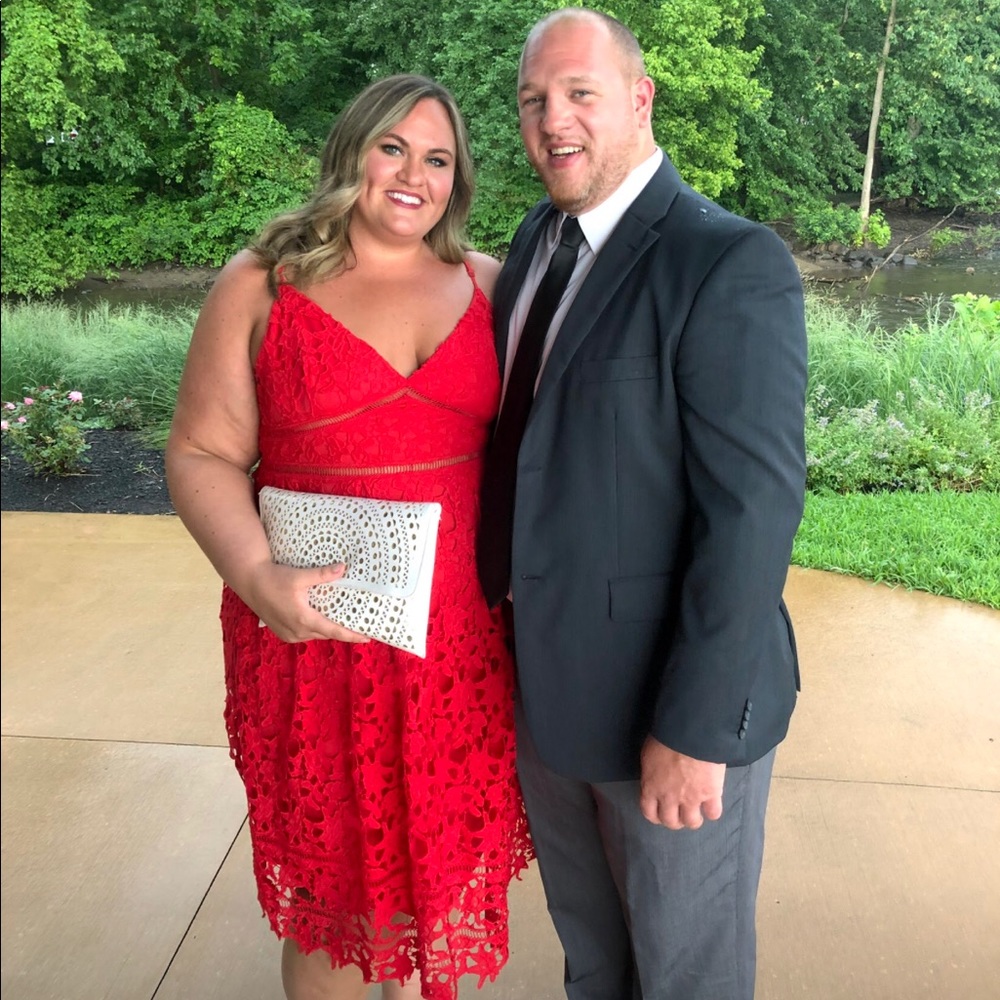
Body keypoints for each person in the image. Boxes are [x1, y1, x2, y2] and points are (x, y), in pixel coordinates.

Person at [165, 75, 531, 1000]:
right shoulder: (263, 284)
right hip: (316, 636)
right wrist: (256, 576)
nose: (415, 175)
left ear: (460, 178)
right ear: (351, 154)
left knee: (439, 887)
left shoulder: (492, 284)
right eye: (394, 149)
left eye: (438, 158)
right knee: (342, 902)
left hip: (460, 643)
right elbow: (202, 452)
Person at [476, 9, 807, 1000]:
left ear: (638, 98)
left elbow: (752, 512)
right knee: (596, 958)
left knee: (684, 975)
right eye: (534, 101)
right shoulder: (536, 240)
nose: (553, 120)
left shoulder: (726, 262)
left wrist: (696, 728)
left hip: (669, 712)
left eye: (579, 93)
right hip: (549, 695)